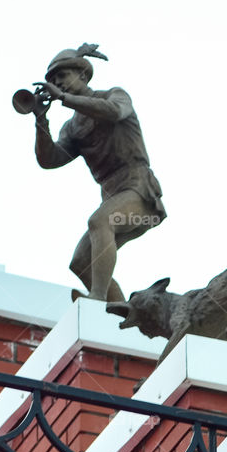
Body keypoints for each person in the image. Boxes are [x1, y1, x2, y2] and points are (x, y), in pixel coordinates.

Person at [30, 43, 166, 302]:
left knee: (100, 221)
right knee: (81, 262)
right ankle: (121, 311)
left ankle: (98, 297)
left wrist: (65, 99)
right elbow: (50, 160)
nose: (59, 84)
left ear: (83, 74)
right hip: (113, 196)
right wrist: (40, 119)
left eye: (63, 76)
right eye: (54, 81)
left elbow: (115, 112)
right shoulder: (72, 127)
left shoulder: (115, 95)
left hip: (139, 191)